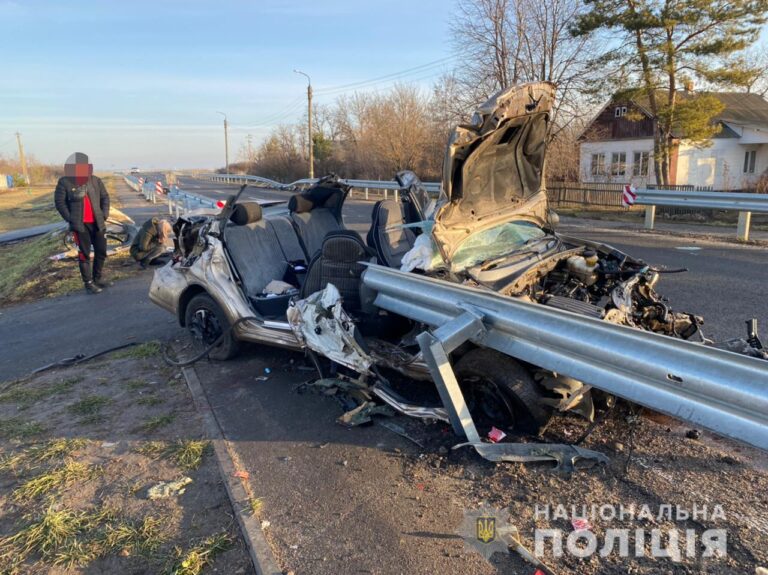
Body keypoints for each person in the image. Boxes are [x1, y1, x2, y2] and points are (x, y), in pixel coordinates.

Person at [54, 152, 111, 294]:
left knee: (101, 252)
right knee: (84, 254)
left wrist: (104, 214)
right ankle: (88, 283)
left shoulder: (95, 180)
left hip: (98, 223)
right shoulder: (64, 182)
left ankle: (97, 278)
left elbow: (105, 197)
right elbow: (60, 202)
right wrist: (70, 218)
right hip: (80, 226)